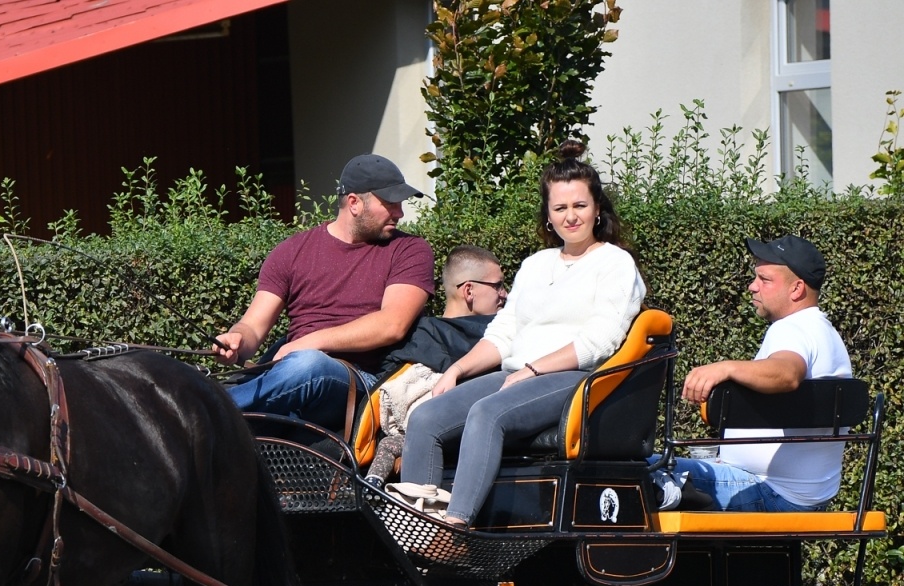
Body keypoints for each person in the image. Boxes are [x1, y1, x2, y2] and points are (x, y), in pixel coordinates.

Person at [394, 142, 646, 527]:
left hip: (576, 376)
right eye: (560, 208)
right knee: (426, 417)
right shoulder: (535, 264)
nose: (571, 216)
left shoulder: (615, 263)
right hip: (515, 373)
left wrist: (533, 369)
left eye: (579, 206)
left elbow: (601, 341)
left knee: (487, 412)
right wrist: (456, 371)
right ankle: (419, 528)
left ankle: (456, 527)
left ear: (597, 209)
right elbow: (504, 332)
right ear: (548, 216)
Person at [214, 154, 434, 429]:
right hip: (292, 372)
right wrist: (236, 340)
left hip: (362, 382)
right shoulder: (291, 252)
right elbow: (253, 327)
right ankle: (209, 405)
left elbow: (393, 325)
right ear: (354, 203)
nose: (400, 213)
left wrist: (308, 342)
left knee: (308, 365)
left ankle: (204, 409)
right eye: (390, 203)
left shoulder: (410, 251)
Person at [657, 235, 852, 512]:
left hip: (770, 493)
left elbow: (787, 373)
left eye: (764, 279)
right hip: (804, 496)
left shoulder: (792, 328)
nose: (752, 286)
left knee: (640, 472)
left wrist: (725, 367)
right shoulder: (826, 334)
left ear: (796, 289)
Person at [364, 245, 507, 483]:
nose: (504, 294)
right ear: (469, 291)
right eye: (498, 285)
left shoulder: (418, 336)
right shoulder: (502, 334)